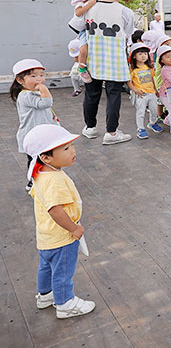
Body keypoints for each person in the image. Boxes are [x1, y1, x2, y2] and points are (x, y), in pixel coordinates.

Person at [24, 124, 95, 318]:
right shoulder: (53, 180)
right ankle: (65, 304)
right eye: (65, 148)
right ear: (45, 157)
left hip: (46, 237)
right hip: (62, 237)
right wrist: (74, 229)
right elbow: (55, 210)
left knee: (46, 267)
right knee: (63, 271)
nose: (73, 151)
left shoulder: (41, 174)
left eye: (71, 145)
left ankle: (45, 295)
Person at [82, 0, 135, 145]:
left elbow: (81, 28)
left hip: (93, 57)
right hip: (115, 59)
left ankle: (90, 128)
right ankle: (111, 133)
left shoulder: (91, 7)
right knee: (113, 95)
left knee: (91, 94)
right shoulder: (125, 11)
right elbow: (127, 33)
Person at [11, 59, 59, 190]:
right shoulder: (25, 95)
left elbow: (44, 109)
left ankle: (44, 180)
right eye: (33, 76)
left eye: (41, 75)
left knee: (44, 159)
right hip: (33, 136)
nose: (39, 79)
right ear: (20, 80)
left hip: (42, 134)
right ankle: (33, 182)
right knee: (36, 161)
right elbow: (46, 103)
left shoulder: (33, 92)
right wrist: (44, 89)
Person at [127, 43, 163, 139]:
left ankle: (152, 123)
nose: (143, 56)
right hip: (141, 94)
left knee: (154, 110)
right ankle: (140, 129)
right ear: (134, 56)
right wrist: (136, 90)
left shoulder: (149, 67)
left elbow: (152, 79)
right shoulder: (132, 69)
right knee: (140, 111)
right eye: (140, 54)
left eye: (145, 54)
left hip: (151, 93)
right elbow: (128, 82)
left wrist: (155, 90)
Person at [68, 0, 97, 84]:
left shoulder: (87, 3)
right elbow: (78, 13)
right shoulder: (80, 4)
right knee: (84, 49)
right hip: (80, 28)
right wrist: (90, 4)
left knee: (86, 47)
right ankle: (82, 68)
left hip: (85, 27)